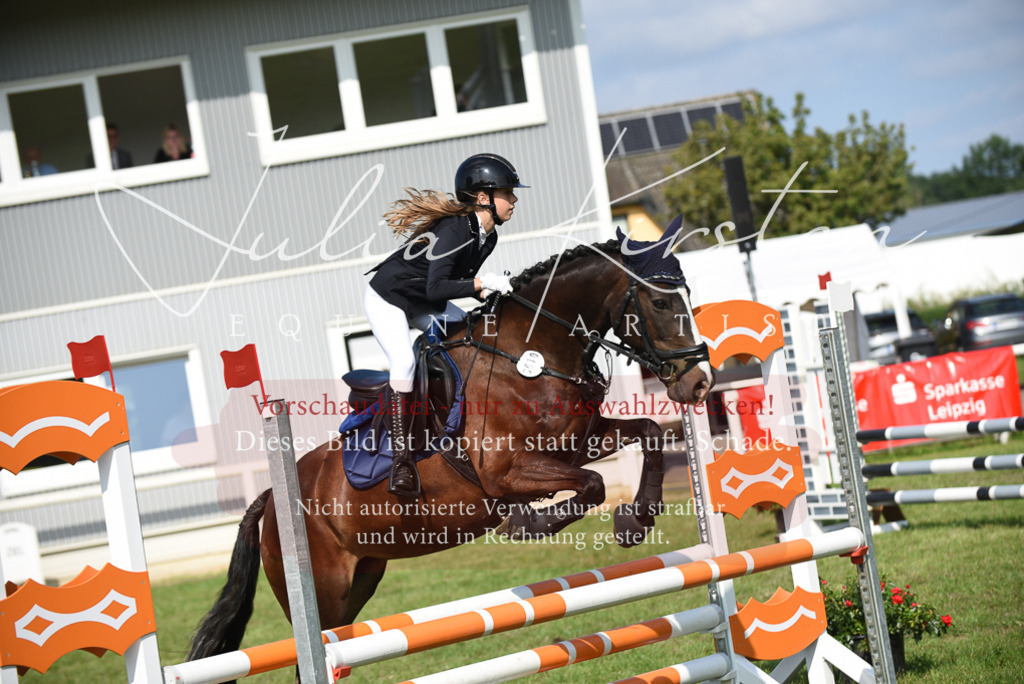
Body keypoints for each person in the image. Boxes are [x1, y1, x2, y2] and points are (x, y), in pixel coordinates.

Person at [365, 153, 527, 497]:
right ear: (483, 198)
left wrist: (494, 294)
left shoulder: (489, 235)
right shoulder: (455, 230)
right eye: (507, 192)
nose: (514, 199)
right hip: (389, 298)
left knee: (469, 335)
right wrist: (484, 283)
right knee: (404, 363)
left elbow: (454, 283)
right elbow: (438, 287)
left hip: (424, 300)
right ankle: (401, 460)